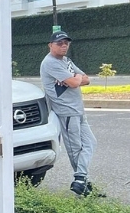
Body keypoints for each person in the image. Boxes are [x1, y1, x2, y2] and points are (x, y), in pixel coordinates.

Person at [40, 31, 97, 195]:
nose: (64, 46)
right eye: (59, 43)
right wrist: (76, 78)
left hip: (78, 110)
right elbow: (74, 82)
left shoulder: (66, 60)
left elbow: (86, 79)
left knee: (90, 142)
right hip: (66, 111)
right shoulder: (50, 63)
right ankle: (81, 182)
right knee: (75, 148)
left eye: (66, 43)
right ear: (50, 45)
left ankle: (80, 179)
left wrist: (75, 78)